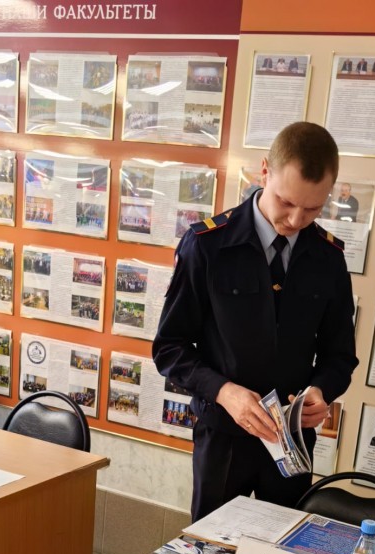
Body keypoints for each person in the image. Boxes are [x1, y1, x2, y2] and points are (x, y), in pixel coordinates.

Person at [153, 122, 358, 521]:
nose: (296, 220)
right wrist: (224, 392)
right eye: (286, 202)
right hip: (223, 435)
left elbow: (340, 355)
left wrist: (321, 391)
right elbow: (169, 348)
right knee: (211, 548)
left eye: (313, 209)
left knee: (283, 548)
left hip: (292, 440)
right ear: (264, 171)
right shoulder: (208, 245)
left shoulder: (328, 259)